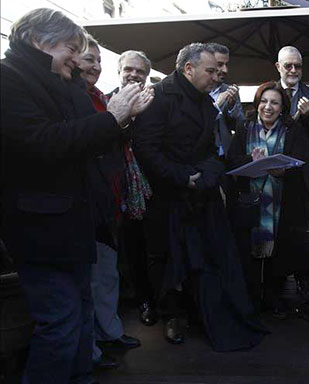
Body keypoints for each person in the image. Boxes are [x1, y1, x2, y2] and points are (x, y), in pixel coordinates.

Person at [1, 8, 152, 383]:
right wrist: (112, 118)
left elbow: (87, 140)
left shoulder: (58, 83)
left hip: (73, 224)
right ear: (40, 40)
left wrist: (122, 119)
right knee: (60, 324)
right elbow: (44, 143)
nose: (75, 57)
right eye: (71, 48)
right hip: (40, 229)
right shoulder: (8, 80)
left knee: (81, 317)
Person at [133, 42, 266, 350]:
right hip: (165, 196)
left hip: (198, 195)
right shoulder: (158, 96)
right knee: (166, 257)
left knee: (199, 256)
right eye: (210, 70)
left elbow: (210, 149)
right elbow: (145, 148)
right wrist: (183, 177)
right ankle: (171, 315)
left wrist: (205, 174)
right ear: (188, 69)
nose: (217, 75)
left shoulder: (205, 102)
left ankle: (196, 311)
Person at [78, 35, 142, 370]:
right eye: (88, 59)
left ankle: (109, 332)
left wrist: (129, 118)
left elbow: (113, 140)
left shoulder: (98, 96)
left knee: (106, 273)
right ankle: (90, 351)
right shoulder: (72, 98)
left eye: (97, 60)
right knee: (88, 282)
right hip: (86, 201)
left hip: (109, 197)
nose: (94, 66)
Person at [228, 81, 309, 317]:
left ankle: (273, 297)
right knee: (248, 255)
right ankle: (252, 297)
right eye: (264, 101)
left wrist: (284, 171)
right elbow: (231, 160)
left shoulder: (292, 129)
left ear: (282, 107)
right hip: (250, 201)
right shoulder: (244, 126)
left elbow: (302, 162)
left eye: (274, 103)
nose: (268, 107)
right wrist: (249, 160)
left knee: (280, 253)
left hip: (282, 202)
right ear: (257, 104)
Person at [109, 49, 158, 328]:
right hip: (117, 189)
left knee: (147, 247)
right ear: (119, 71)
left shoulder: (155, 103)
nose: (134, 75)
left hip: (152, 188)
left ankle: (149, 299)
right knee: (125, 249)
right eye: (129, 69)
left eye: (140, 71)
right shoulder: (106, 101)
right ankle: (132, 298)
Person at [275, 45, 309, 289]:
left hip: (303, 175)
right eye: (288, 65)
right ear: (278, 67)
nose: (293, 70)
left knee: (304, 229)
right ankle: (276, 281)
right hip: (274, 173)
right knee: (277, 228)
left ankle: (303, 279)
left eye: (298, 65)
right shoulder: (270, 92)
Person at [206, 42, 245, 157]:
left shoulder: (230, 91)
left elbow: (240, 127)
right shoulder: (196, 90)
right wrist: (218, 104)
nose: (225, 70)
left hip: (225, 157)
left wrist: (232, 106)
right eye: (220, 64)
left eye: (226, 64)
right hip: (200, 157)